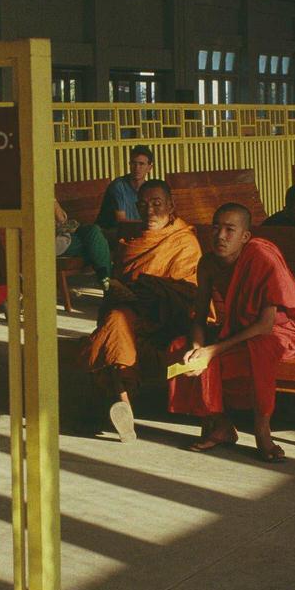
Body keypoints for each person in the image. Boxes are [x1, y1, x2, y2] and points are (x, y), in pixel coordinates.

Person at [171, 204, 295, 463]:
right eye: (216, 228)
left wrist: (212, 349)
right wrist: (196, 345)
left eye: (229, 230)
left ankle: (262, 432)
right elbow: (199, 317)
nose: (220, 236)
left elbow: (265, 325)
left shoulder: (261, 257)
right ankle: (219, 423)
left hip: (278, 330)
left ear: (245, 236)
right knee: (180, 347)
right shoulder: (208, 264)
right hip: (237, 328)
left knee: (258, 350)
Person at [82, 180, 202, 443]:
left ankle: (121, 400)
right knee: (116, 322)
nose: (149, 210)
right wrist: (118, 289)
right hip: (132, 313)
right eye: (143, 205)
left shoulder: (184, 242)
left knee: (115, 323)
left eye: (157, 203)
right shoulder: (133, 242)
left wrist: (143, 289)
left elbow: (187, 294)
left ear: (171, 206)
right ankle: (124, 404)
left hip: (165, 318)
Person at [55, 198, 113, 288]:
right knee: (95, 242)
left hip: (64, 235)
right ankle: (107, 284)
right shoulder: (40, 195)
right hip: (54, 243)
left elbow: (62, 221)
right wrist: (53, 201)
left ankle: (107, 281)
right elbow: (60, 219)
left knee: (93, 231)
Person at [95, 144, 154, 228]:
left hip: (136, 231)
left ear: (149, 168)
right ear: (129, 164)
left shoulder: (148, 189)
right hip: (110, 233)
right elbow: (122, 222)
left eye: (141, 164)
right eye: (134, 163)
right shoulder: (118, 186)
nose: (137, 168)